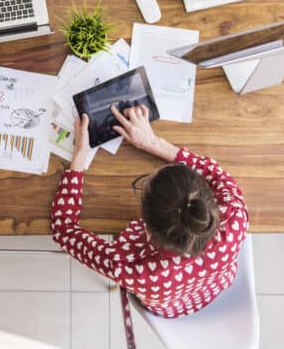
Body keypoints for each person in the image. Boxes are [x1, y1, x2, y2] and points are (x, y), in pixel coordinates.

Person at [51, 105, 248, 318]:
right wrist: (153, 142)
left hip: (169, 306)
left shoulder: (131, 267)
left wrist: (80, 154)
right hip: (212, 287)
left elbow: (63, 230)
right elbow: (214, 172)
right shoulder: (235, 215)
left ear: (146, 229)